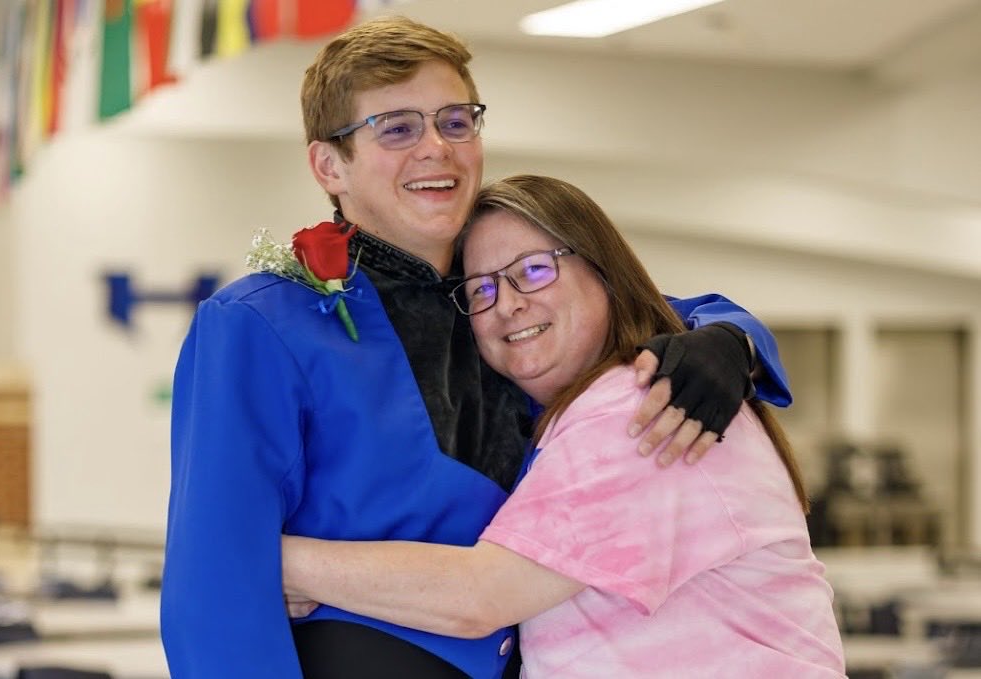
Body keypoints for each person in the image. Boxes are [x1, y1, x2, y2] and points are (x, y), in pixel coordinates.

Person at [160, 16, 793, 679]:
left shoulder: (504, 302)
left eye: (456, 121)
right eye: (397, 128)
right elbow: (213, 590)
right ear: (329, 164)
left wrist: (732, 340)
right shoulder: (260, 324)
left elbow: (630, 305)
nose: (437, 146)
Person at [281, 175, 845, 677]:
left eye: (534, 270)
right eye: (482, 288)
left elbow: (480, 595)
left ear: (605, 272)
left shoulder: (637, 410)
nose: (509, 304)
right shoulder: (555, 413)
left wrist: (278, 560)